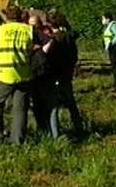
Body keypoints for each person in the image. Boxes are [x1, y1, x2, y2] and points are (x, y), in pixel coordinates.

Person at [0, 5, 40, 145]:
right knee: (20, 108)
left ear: (6, 16)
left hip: (4, 75)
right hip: (24, 75)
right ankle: (17, 140)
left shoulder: (0, 30)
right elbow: (42, 44)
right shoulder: (29, 30)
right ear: (21, 16)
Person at [46, 11, 84, 139]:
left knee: (53, 107)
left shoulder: (53, 40)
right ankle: (79, 128)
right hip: (67, 74)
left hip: (54, 75)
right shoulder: (70, 37)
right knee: (71, 104)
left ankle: (55, 135)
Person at [28, 13, 55, 135]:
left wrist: (41, 50)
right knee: (36, 104)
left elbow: (50, 41)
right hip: (35, 71)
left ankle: (50, 132)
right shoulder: (32, 33)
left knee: (46, 103)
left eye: (34, 24)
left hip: (43, 71)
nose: (32, 27)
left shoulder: (42, 33)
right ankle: (43, 129)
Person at [101, 13, 116, 89]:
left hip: (115, 48)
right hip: (112, 48)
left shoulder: (113, 25)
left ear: (108, 19)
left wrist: (112, 43)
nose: (102, 21)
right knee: (113, 66)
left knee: (115, 66)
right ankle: (115, 83)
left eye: (103, 19)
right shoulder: (109, 26)